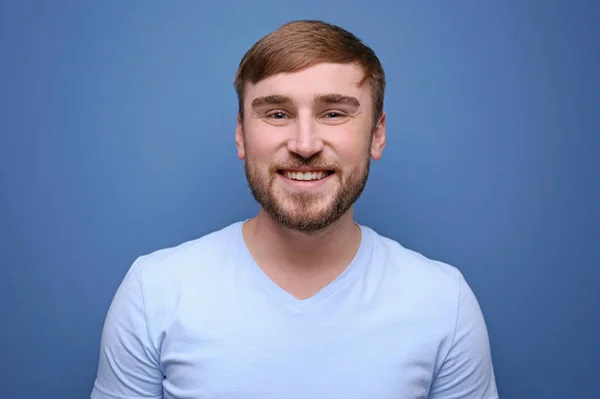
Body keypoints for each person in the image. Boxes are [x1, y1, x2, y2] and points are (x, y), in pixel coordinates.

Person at [91, 20, 498, 399]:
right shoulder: (155, 291)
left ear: (377, 135)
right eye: (278, 114)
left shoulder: (444, 302)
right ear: (241, 136)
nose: (305, 145)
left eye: (334, 113)